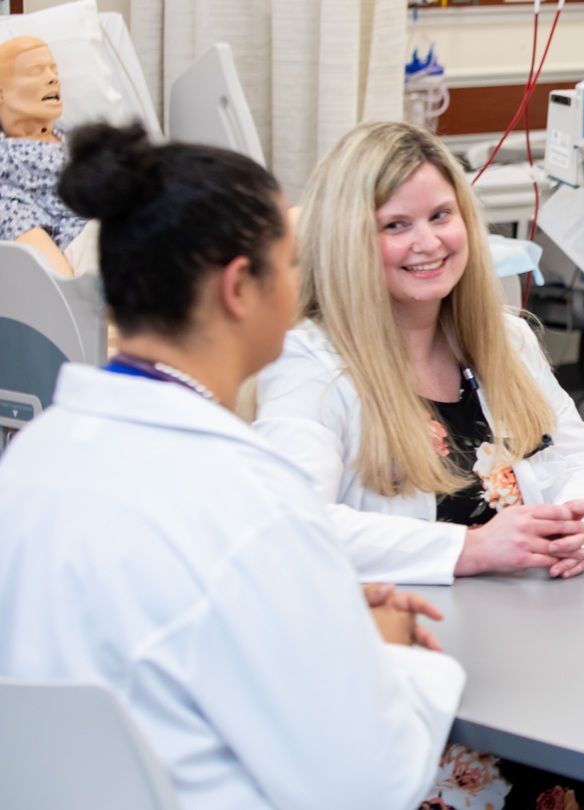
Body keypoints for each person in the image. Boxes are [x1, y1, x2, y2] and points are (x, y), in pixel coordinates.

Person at [0, 122, 463, 808]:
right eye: (292, 263)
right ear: (240, 286)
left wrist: (322, 622)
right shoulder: (246, 497)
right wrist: (388, 651)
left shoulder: (31, 460)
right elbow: (370, 781)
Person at [252, 121, 584, 587]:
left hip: (529, 612)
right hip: (402, 621)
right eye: (396, 225)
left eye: (440, 216)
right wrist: (472, 549)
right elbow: (291, 522)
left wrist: (579, 532)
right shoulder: (309, 365)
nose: (429, 243)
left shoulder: (506, 339)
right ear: (346, 242)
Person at [0, 35, 87, 276]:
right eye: (35, 71)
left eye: (53, 70)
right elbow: (17, 220)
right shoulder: (6, 159)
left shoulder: (82, 140)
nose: (52, 78)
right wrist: (66, 287)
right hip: (81, 247)